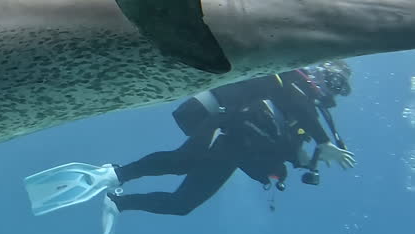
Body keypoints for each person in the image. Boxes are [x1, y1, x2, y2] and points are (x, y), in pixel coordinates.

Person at [104, 60, 356, 216]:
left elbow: (282, 146)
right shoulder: (289, 75)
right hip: (225, 121)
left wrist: (298, 158)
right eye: (332, 80)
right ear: (320, 70)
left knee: (182, 205)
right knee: (184, 160)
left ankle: (118, 204)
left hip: (236, 146)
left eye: (337, 88)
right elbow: (293, 99)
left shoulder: (305, 118)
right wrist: (323, 141)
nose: (329, 89)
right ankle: (118, 174)